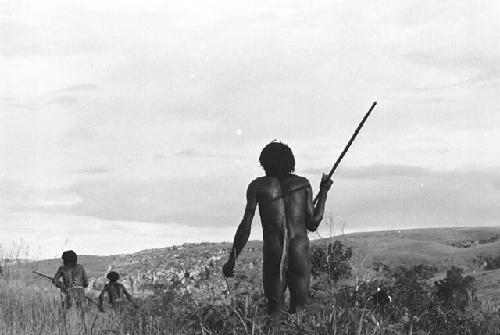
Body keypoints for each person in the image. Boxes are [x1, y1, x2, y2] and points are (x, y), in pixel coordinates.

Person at [222, 141, 333, 317]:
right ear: (290, 162)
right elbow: (313, 223)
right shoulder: (302, 185)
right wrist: (324, 192)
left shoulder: (258, 186)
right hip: (299, 251)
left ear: (264, 163)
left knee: (274, 313)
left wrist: (232, 259)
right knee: (299, 313)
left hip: (275, 250)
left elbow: (245, 227)